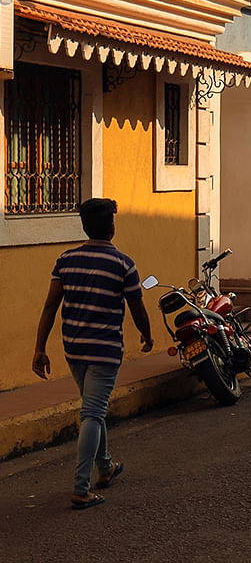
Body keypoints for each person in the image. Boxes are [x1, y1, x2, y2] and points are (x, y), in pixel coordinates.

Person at [32, 198, 153, 510]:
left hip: (73, 348)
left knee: (92, 408)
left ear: (85, 227)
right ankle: (80, 488)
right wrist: (148, 334)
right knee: (93, 413)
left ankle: (106, 467)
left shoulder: (65, 260)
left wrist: (39, 348)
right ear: (112, 228)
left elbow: (49, 307)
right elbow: (136, 306)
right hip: (105, 351)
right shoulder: (124, 264)